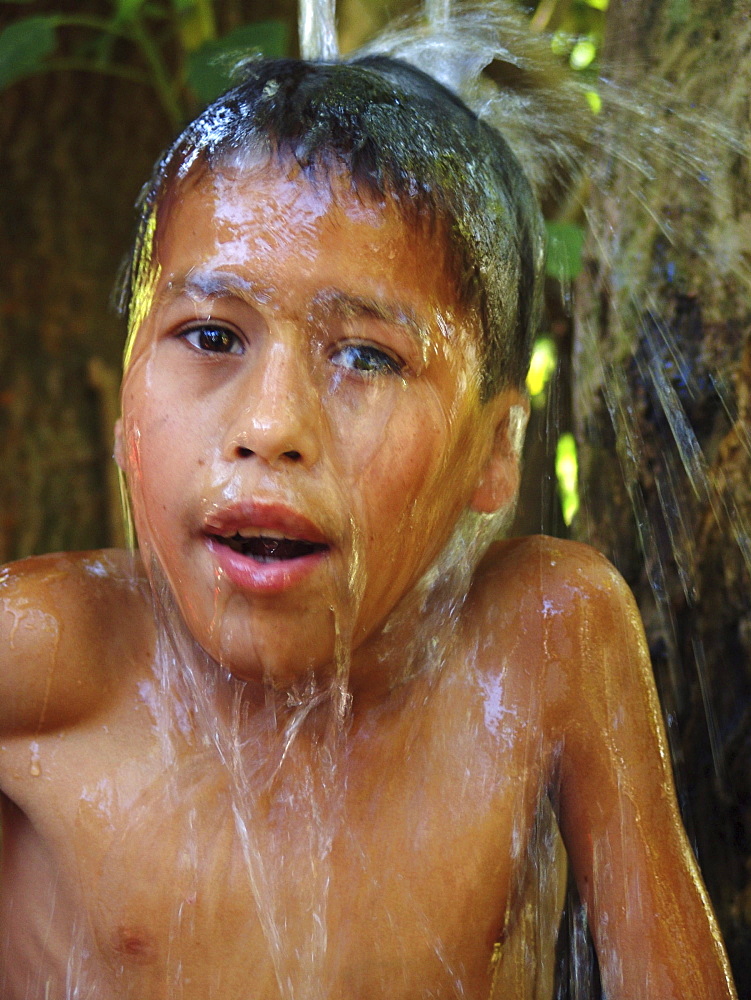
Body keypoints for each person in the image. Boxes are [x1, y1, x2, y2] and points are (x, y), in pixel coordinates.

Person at [0, 56, 738, 1000]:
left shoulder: (541, 644)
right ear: (124, 400)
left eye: (367, 356)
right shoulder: (41, 661)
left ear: (494, 448)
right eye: (213, 335)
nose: (271, 427)